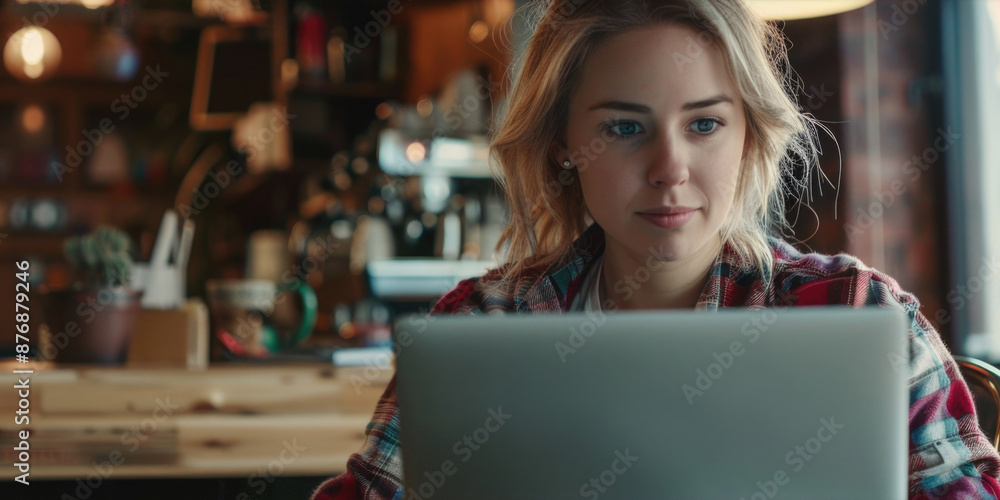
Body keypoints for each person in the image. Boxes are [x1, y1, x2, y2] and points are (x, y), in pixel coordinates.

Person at [312, 0, 1000, 498]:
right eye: (623, 129)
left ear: (750, 136)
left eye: (704, 123)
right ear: (562, 148)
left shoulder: (857, 312)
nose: (670, 168)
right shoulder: (486, 323)